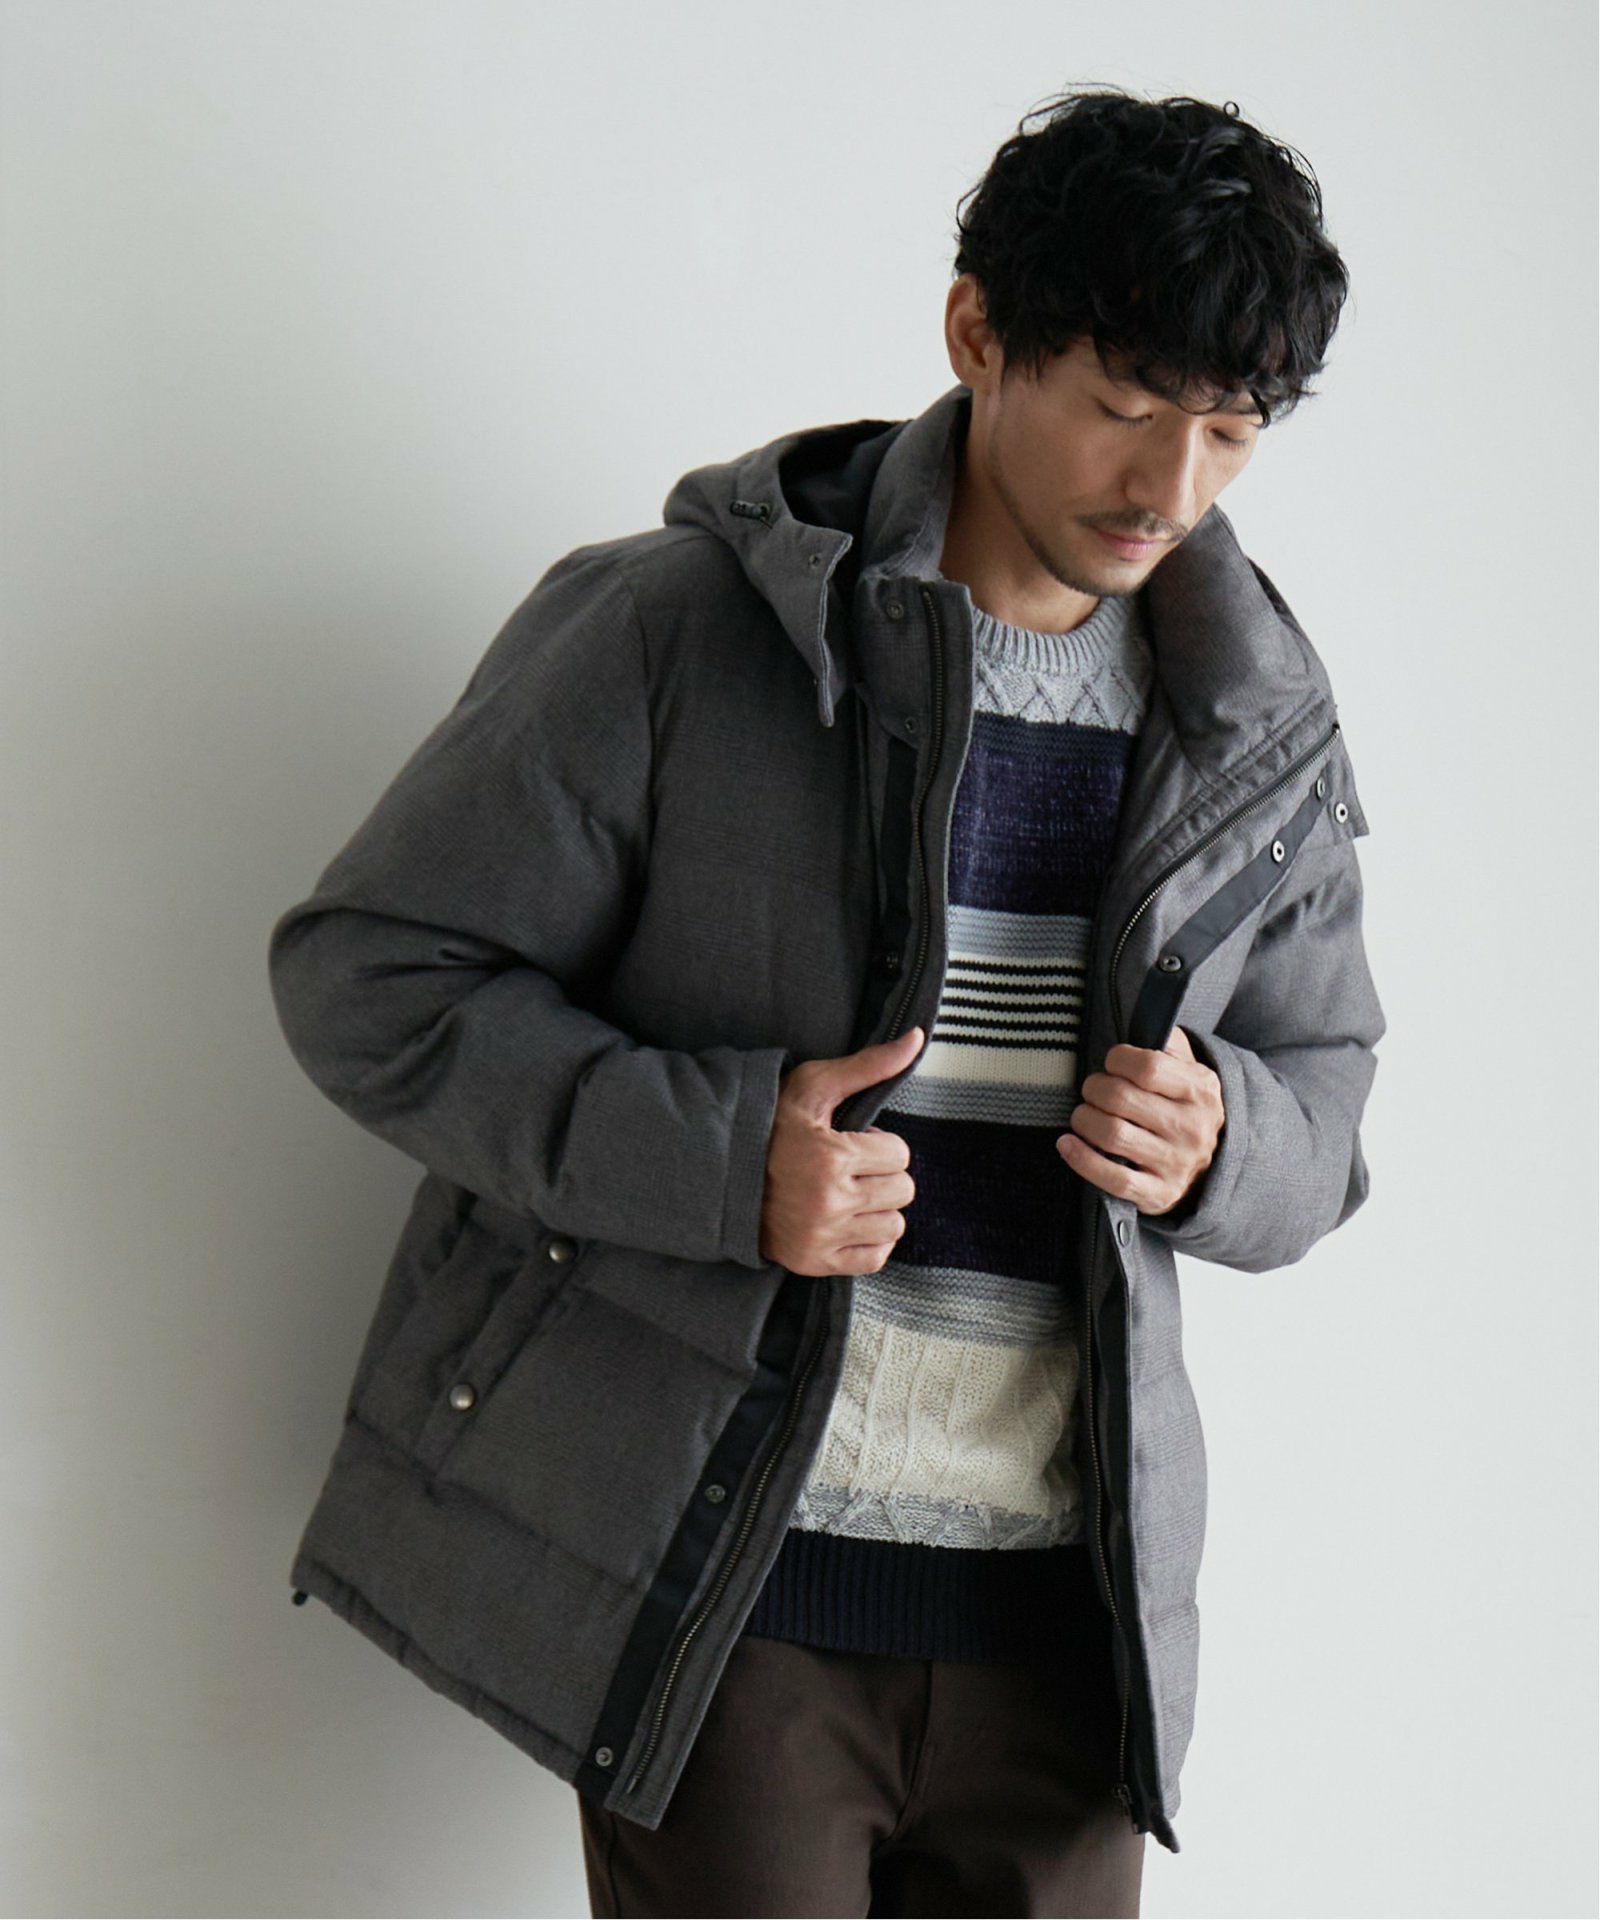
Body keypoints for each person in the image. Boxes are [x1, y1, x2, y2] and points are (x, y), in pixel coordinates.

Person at [271, 84, 1384, 1920]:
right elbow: (369, 979)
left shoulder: (1251, 715)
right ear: (976, 333)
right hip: (740, 1599)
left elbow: (1328, 1098)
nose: (1171, 488)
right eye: (1124, 404)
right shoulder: (676, 634)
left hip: (1074, 1626)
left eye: (1231, 429)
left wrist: (1224, 1143)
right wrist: (726, 1163)